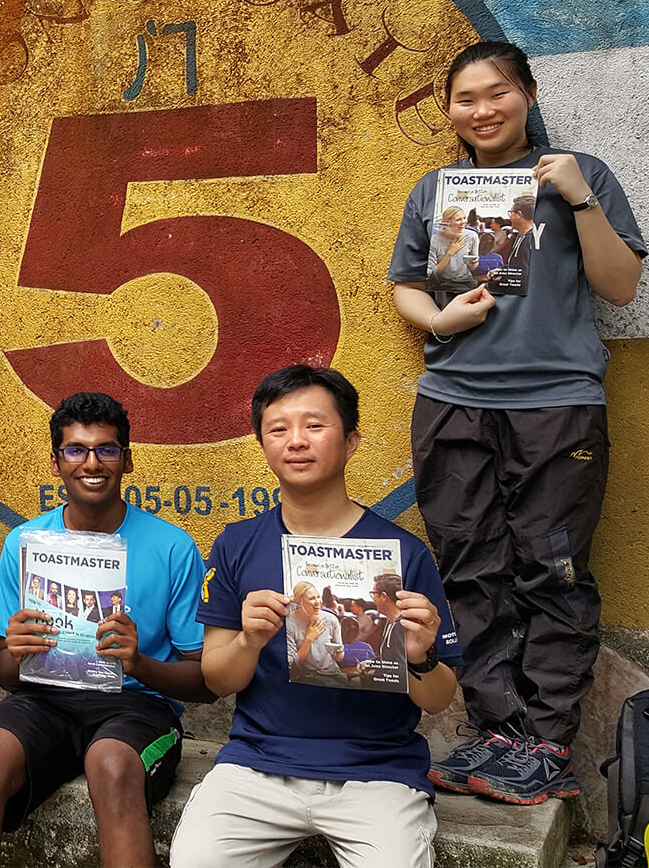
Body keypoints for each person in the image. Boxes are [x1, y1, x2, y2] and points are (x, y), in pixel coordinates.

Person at [387, 41, 644, 804]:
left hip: (556, 406)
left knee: (553, 571)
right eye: (465, 98)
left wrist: (578, 197)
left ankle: (548, 743)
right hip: (454, 401)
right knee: (470, 564)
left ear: (528, 93)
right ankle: (499, 731)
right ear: (451, 111)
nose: (482, 110)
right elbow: (404, 284)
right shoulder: (439, 187)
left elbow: (621, 283)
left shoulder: (580, 173)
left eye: (496, 92)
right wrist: (443, 315)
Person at [170, 365, 461, 868]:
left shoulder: (402, 555)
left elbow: (439, 699)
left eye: (315, 425)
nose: (296, 441)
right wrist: (248, 641)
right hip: (258, 765)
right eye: (278, 429)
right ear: (262, 445)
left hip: (378, 772)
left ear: (350, 442)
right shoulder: (237, 544)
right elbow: (216, 679)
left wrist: (418, 658)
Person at [0, 392, 211, 868]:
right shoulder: (24, 542)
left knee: (110, 765)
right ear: (56, 462)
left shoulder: (173, 547)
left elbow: (204, 681)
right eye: (76, 450)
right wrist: (18, 650)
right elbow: (5, 674)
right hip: (45, 699)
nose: (92, 462)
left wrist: (139, 663)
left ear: (126, 461)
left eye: (107, 449)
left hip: (139, 706)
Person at [286, 580, 343, 682]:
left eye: (318, 597)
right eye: (312, 598)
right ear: (300, 601)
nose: (318, 602)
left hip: (333, 674)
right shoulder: (290, 622)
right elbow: (292, 664)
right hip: (307, 677)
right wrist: (309, 639)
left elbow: (340, 656)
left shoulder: (331, 619)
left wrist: (338, 653)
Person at [427, 205, 475, 290]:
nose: (463, 222)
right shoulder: (434, 241)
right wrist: (449, 253)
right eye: (458, 219)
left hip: (465, 282)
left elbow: (473, 267)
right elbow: (432, 273)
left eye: (464, 218)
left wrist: (474, 263)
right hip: (443, 284)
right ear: (447, 222)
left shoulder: (471, 236)